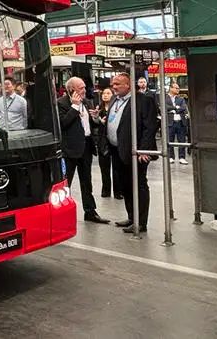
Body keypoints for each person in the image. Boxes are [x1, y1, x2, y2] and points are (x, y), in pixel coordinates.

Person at [107, 73, 159, 233]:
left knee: (139, 184)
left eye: (117, 84)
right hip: (117, 150)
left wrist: (143, 150)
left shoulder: (143, 100)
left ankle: (141, 222)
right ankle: (132, 217)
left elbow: (150, 127)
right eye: (113, 84)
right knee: (125, 185)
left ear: (128, 85)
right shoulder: (115, 99)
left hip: (136, 152)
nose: (114, 87)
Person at [57, 77, 110, 224]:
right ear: (71, 89)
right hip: (70, 148)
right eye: (81, 88)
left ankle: (90, 211)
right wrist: (74, 107)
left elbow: (91, 124)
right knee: (66, 182)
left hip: (86, 146)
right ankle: (61, 213)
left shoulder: (87, 102)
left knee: (87, 181)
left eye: (85, 87)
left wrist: (96, 119)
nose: (84, 90)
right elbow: (63, 124)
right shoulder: (61, 103)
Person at [93, 87, 122, 199]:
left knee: (117, 168)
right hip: (102, 141)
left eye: (108, 93)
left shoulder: (116, 108)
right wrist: (97, 119)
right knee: (104, 167)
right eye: (104, 93)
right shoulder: (98, 109)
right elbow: (95, 124)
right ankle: (106, 190)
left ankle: (118, 191)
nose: (105, 95)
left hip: (115, 140)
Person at [165, 83, 189, 164]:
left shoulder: (181, 99)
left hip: (180, 122)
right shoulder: (165, 98)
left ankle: (182, 157)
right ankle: (171, 157)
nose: (178, 90)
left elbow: (183, 108)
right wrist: (175, 107)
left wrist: (173, 110)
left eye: (178, 88)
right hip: (170, 122)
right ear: (171, 88)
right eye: (176, 88)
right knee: (170, 140)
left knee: (182, 140)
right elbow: (165, 107)